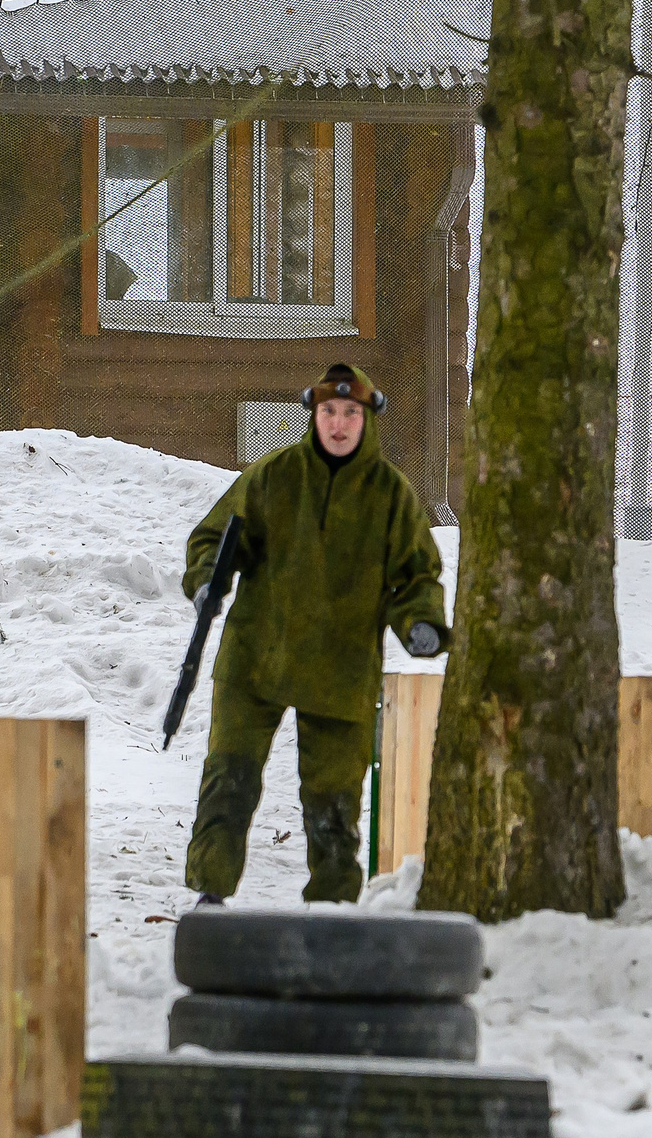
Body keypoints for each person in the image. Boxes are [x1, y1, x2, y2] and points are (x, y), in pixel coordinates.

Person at [181, 364, 450, 904]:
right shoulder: (274, 475)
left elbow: (416, 576)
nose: (339, 424)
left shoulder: (391, 496)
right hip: (256, 657)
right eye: (329, 411)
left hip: (341, 668)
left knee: (334, 804)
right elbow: (215, 536)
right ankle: (210, 895)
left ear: (368, 419)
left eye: (350, 413)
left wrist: (419, 622)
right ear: (314, 415)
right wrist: (208, 579)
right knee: (229, 781)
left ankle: (331, 908)